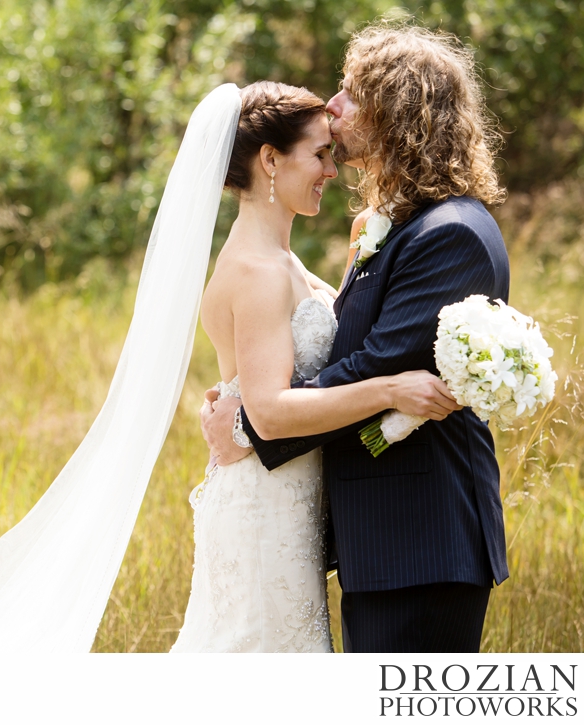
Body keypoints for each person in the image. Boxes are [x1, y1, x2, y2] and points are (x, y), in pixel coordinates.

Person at [201, 23, 510, 653]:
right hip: (383, 540)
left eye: (349, 93)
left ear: (396, 111)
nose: (333, 107)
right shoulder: (398, 228)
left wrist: (251, 425)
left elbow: (376, 363)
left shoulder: (447, 233)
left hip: (421, 537)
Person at [168, 81, 458, 653]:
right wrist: (392, 388)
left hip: (290, 504)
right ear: (270, 160)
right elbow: (270, 414)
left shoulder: (281, 259)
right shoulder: (257, 271)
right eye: (319, 154)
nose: (332, 169)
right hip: (263, 509)